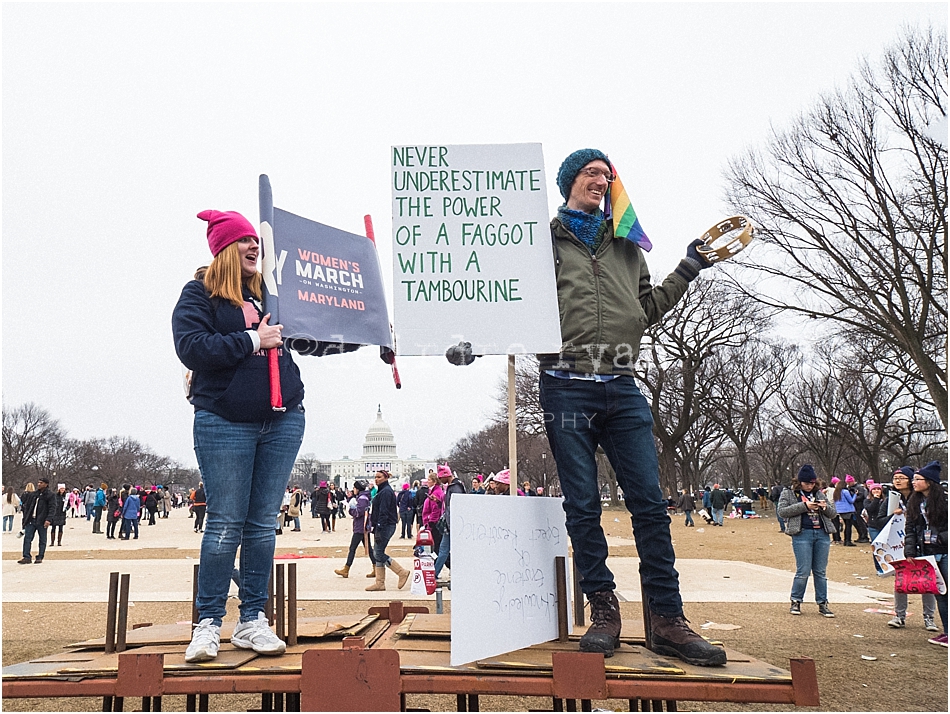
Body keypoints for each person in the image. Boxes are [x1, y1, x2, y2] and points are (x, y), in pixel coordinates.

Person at [529, 149, 725, 666]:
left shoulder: (627, 245)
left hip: (621, 384)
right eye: (592, 173)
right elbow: (509, 303)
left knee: (649, 504)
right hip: (564, 383)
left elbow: (647, 311)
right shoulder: (538, 242)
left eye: (607, 175)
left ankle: (667, 620)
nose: (602, 179)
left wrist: (688, 267)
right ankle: (604, 612)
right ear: (570, 182)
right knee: (583, 506)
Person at [173, 209, 306, 663]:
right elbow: (191, 347)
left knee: (263, 524)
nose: (255, 247)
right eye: (246, 241)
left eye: (257, 240)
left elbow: (311, 338)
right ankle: (207, 623)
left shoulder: (273, 294)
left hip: (282, 417)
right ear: (225, 250)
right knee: (225, 522)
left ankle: (252, 619)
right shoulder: (200, 295)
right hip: (225, 419)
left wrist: (365, 334)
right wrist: (253, 340)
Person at [880, 467, 938, 631]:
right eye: (895, 477)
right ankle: (899, 615)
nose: (897, 481)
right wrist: (893, 515)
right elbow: (877, 520)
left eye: (902, 477)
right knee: (901, 580)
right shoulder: (891, 498)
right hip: (898, 544)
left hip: (921, 542)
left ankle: (929, 617)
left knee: (926, 580)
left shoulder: (919, 498)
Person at [777, 465, 837, 617]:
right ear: (800, 482)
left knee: (820, 572)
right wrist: (804, 506)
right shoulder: (789, 493)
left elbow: (833, 514)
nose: (810, 486)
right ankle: (796, 601)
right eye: (806, 483)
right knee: (803, 570)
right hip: (802, 533)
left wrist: (824, 507)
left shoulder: (820, 493)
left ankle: (823, 603)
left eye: (812, 483)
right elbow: (782, 511)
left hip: (822, 534)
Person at [903, 461, 947, 647]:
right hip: (927, 553)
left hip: (944, 551)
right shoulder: (915, 501)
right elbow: (911, 527)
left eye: (918, 479)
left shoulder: (945, 500)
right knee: (940, 592)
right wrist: (910, 550)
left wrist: (942, 538)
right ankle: (947, 631)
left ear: (929, 482)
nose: (914, 482)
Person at [366, 470, 410, 591]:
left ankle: (401, 572)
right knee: (378, 552)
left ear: (385, 478)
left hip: (385, 525)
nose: (376, 479)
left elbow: (383, 511)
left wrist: (379, 527)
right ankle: (380, 583)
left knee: (378, 553)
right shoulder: (382, 490)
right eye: (375, 477)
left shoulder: (385, 491)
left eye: (379, 477)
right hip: (383, 525)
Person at [334, 480, 376, 578]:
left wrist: (350, 509)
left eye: (354, 488)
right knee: (368, 548)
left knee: (352, 548)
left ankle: (346, 569)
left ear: (357, 488)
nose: (353, 490)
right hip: (363, 526)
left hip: (360, 526)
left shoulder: (362, 498)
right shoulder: (365, 497)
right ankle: (376, 567)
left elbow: (358, 512)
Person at [434, 464, 466, 583]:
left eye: (440, 478)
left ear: (445, 475)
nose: (440, 481)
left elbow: (457, 507)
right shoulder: (454, 487)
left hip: (454, 524)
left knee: (446, 550)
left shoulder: (455, 488)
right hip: (451, 523)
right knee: (444, 549)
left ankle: (436, 572)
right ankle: (435, 572)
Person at [19, 477, 55, 564]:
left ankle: (40, 556)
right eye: (38, 482)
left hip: (42, 520)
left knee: (42, 539)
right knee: (27, 538)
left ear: (46, 484)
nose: (39, 484)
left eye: (41, 483)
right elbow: (27, 507)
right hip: (31, 520)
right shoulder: (33, 494)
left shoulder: (50, 495)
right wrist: (25, 519)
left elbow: (52, 508)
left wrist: (48, 519)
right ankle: (26, 556)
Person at [421, 472, 445, 557]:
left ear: (434, 482)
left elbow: (436, 509)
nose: (427, 481)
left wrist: (431, 521)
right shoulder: (434, 491)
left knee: (437, 547)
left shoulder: (436, 492)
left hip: (433, 523)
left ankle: (440, 565)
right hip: (431, 521)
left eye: (429, 480)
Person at [833, 478, 856, 546]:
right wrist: (855, 495)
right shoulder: (845, 491)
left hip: (840, 510)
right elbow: (851, 501)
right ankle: (847, 540)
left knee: (846, 525)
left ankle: (845, 540)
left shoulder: (836, 492)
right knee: (848, 526)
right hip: (848, 510)